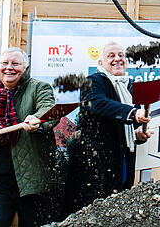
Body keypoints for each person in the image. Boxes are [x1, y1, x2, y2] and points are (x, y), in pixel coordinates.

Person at [0, 47, 57, 227]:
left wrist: (37, 121)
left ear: (25, 67)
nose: (9, 68)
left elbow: (49, 112)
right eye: (5, 63)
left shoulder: (39, 88)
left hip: (32, 182)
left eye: (15, 64)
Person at [64, 42, 151, 212]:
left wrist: (137, 134)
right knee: (91, 212)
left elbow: (128, 127)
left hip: (122, 161)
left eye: (121, 55)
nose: (117, 59)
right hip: (93, 165)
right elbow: (98, 104)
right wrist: (133, 113)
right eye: (111, 56)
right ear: (100, 63)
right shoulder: (92, 81)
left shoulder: (130, 86)